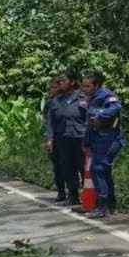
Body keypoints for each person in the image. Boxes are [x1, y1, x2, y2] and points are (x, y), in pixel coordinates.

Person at [81, 71, 124, 220]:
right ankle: (110, 205)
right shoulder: (90, 99)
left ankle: (102, 207)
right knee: (104, 171)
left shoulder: (106, 96)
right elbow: (89, 124)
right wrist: (86, 143)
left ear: (96, 85)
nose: (84, 89)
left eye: (87, 86)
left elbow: (116, 108)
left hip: (110, 139)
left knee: (97, 169)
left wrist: (100, 115)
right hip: (97, 138)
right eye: (83, 86)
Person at [44, 69, 85, 206]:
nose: (61, 83)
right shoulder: (55, 101)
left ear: (72, 82)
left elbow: (90, 118)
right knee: (67, 167)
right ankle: (72, 195)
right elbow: (50, 121)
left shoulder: (82, 97)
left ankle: (89, 195)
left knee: (83, 167)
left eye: (64, 80)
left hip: (80, 137)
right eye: (59, 81)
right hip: (62, 138)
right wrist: (50, 139)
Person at [43, 74, 67, 201]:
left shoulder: (70, 99)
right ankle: (61, 192)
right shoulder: (51, 102)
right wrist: (49, 138)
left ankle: (74, 193)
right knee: (57, 167)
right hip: (54, 137)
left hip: (68, 137)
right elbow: (47, 121)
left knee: (69, 166)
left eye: (55, 87)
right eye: (51, 88)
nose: (53, 90)